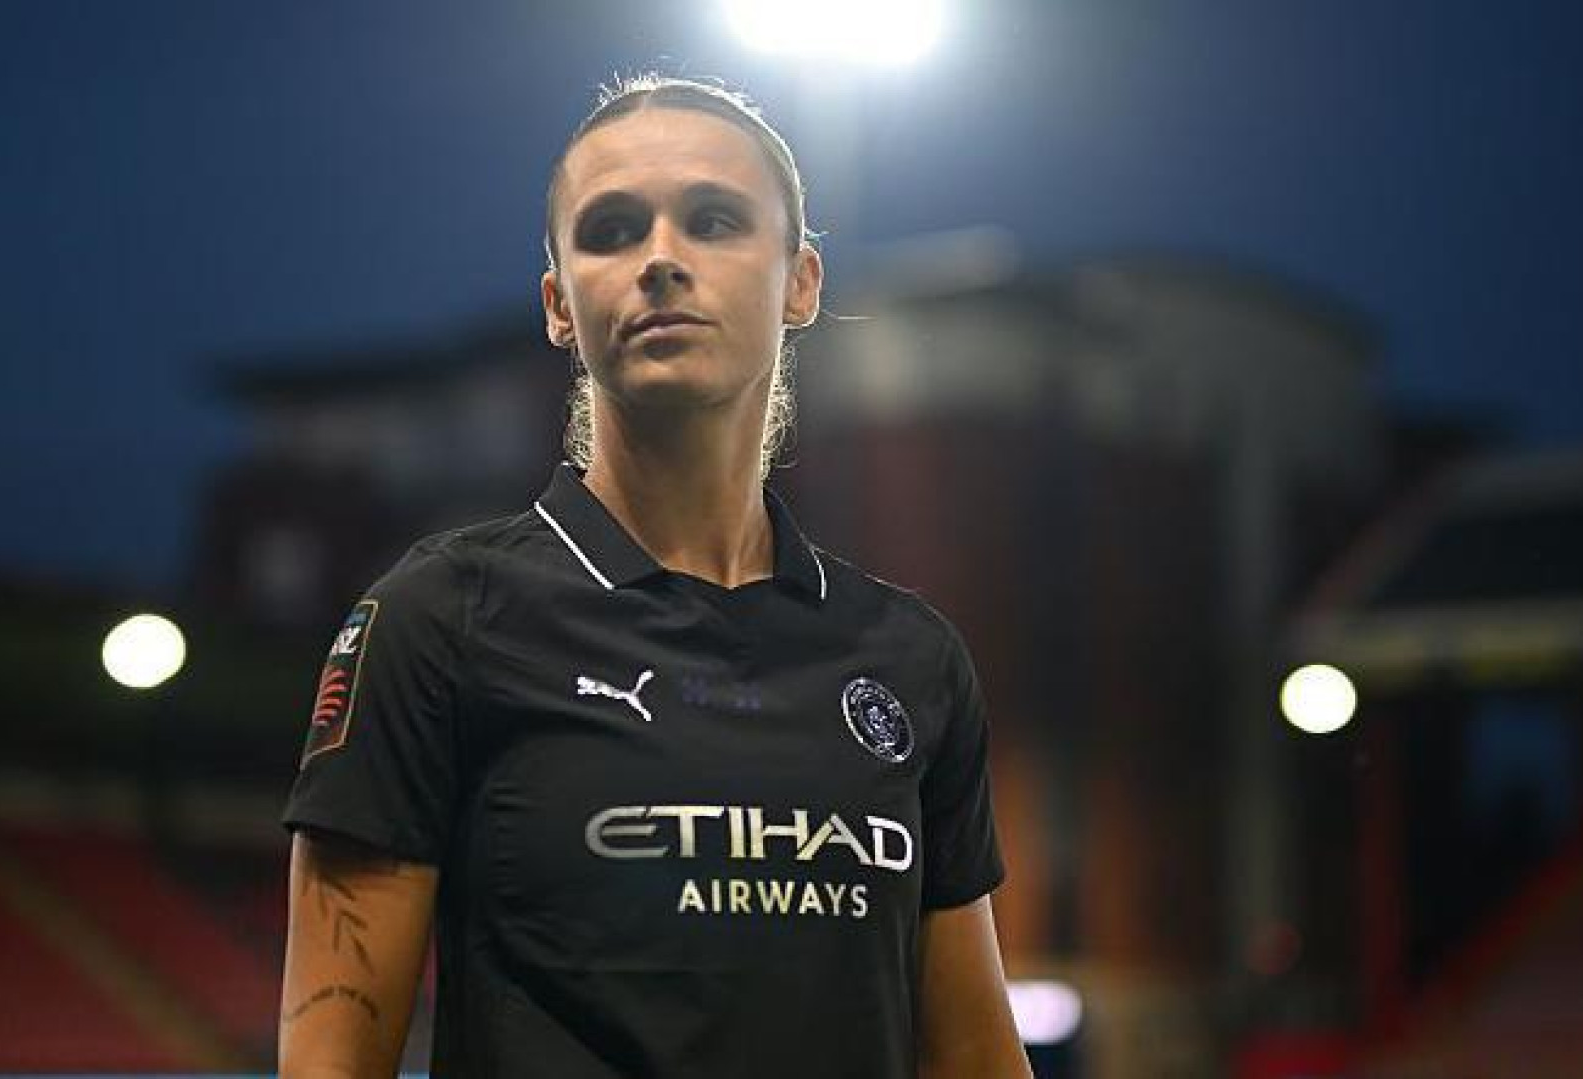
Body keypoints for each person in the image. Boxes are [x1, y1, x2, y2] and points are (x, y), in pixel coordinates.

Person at [278, 74, 1032, 1079]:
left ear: (801, 282)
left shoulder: (911, 658)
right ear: (560, 305)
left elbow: (977, 1054)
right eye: (612, 230)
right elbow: (329, 1062)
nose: (661, 259)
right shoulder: (439, 618)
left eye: (714, 220)